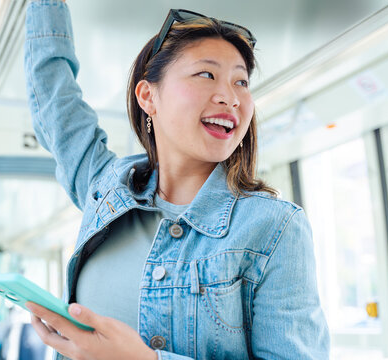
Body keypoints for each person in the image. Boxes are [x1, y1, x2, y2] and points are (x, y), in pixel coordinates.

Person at [24, 1, 330, 359]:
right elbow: (53, 98)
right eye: (206, 74)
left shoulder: (274, 228)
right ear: (148, 96)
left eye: (241, 81)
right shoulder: (105, 187)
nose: (230, 97)